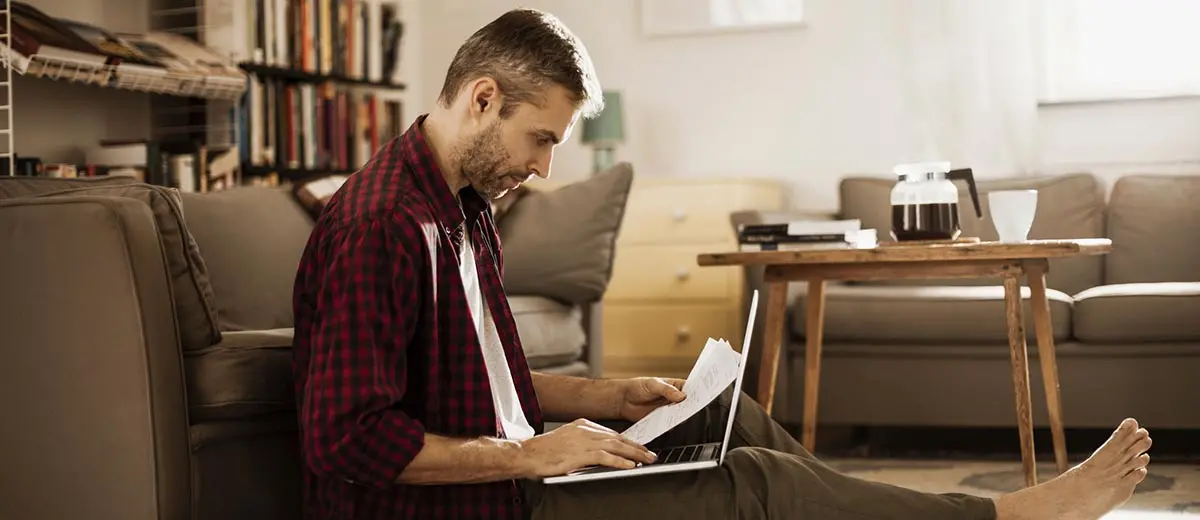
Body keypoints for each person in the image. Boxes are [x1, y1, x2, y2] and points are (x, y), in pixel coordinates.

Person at [291, 8, 1153, 520]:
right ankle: (1003, 517)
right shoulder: (380, 226)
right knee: (756, 483)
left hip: (521, 469)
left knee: (731, 419)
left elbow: (479, 378)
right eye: (541, 138)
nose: (546, 165)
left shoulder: (466, 205)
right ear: (483, 98)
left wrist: (605, 397)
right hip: (482, 506)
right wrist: (531, 457)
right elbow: (346, 441)